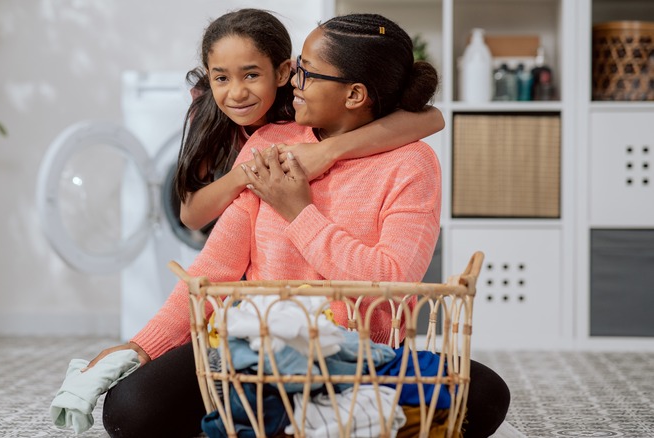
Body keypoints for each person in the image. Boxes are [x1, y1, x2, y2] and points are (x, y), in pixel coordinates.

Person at [93, 11, 510, 438]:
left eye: (307, 73)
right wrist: (143, 345)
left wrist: (299, 213)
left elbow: (393, 279)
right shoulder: (271, 142)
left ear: (354, 94)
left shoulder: (412, 164)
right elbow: (213, 267)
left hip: (356, 356)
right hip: (253, 349)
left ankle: (285, 420)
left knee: (486, 394)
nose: (293, 81)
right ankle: (309, 421)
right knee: (129, 409)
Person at [174, 8, 445, 231]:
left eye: (251, 75)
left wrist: (326, 151)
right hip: (238, 224)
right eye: (221, 77)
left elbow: (431, 119)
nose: (236, 93)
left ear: (281, 73)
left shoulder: (301, 93)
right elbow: (191, 215)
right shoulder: (209, 108)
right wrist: (248, 172)